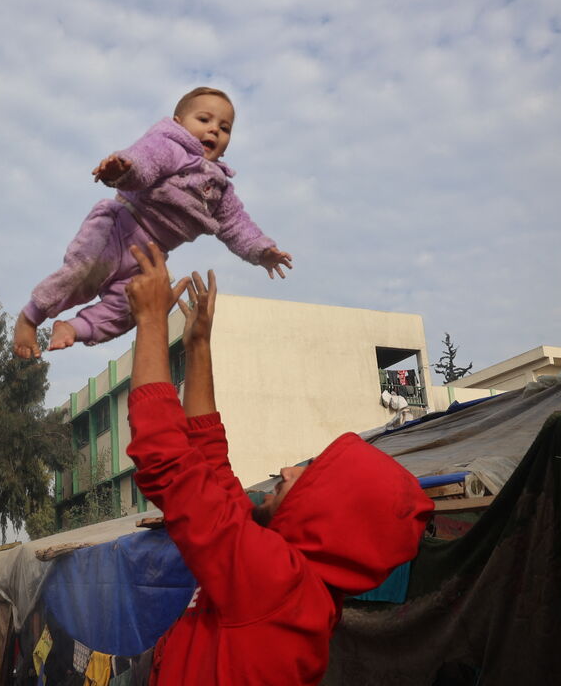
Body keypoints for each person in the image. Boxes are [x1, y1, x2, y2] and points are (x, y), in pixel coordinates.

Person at [121, 243, 434, 684]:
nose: (286, 471)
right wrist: (198, 346)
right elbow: (211, 466)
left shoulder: (276, 585)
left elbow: (168, 463)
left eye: (305, 479)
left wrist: (151, 322)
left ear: (328, 518)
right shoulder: (293, 588)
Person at [13, 86, 293, 358]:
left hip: (150, 257)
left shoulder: (220, 189)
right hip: (118, 228)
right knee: (80, 275)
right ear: (179, 124)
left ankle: (75, 328)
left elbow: (236, 225)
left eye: (225, 127)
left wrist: (262, 251)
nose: (214, 130)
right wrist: (122, 169)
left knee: (135, 306)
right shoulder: (171, 147)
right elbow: (145, 162)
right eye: (204, 119)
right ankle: (30, 317)